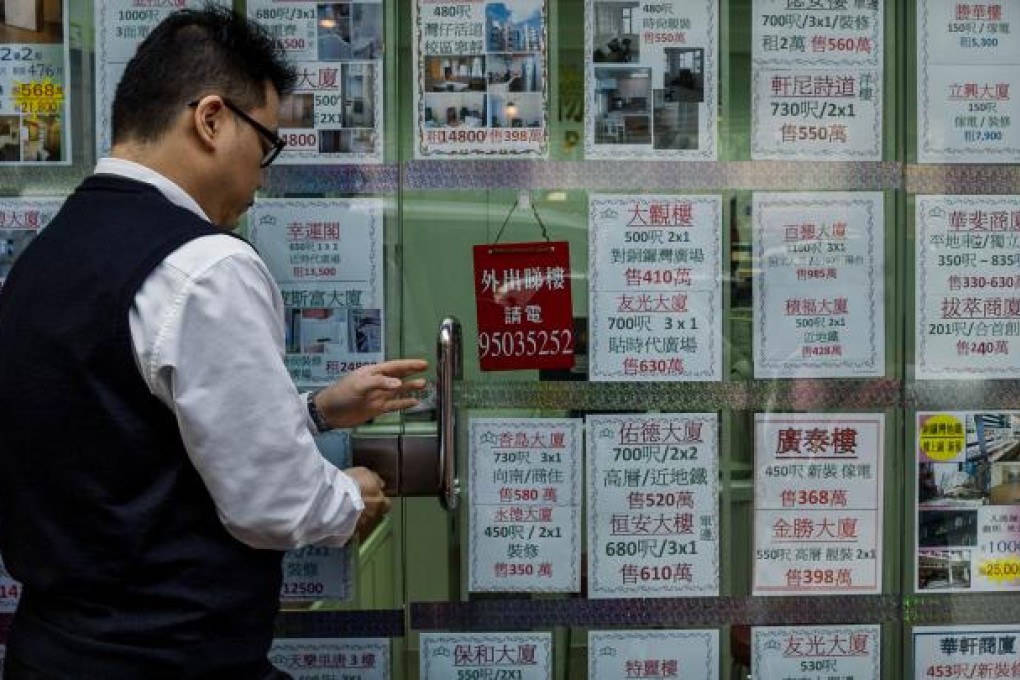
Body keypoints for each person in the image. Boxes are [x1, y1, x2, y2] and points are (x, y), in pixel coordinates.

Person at [0, 6, 426, 678]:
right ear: (210, 119)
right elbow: (272, 503)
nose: (262, 178)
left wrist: (314, 409)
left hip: (49, 652)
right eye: (267, 146)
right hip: (173, 658)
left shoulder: (43, 258)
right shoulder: (205, 267)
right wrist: (352, 498)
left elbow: (128, 436)